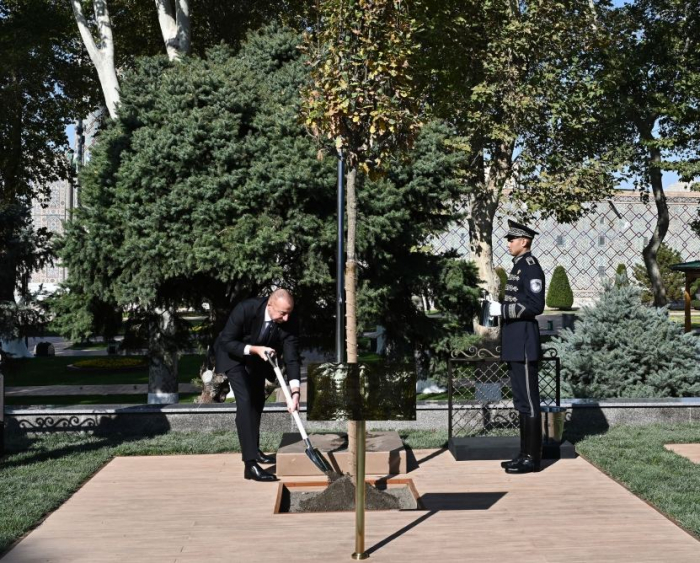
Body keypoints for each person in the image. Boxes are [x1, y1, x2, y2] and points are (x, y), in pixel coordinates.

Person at [215, 288, 301, 482]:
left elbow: (292, 358)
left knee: (257, 401)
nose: (286, 318)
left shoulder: (290, 320)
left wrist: (295, 391)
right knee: (245, 399)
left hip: (258, 358)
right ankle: (250, 464)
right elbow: (227, 341)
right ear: (270, 305)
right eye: (282, 313)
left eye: (289, 313)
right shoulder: (245, 309)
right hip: (233, 355)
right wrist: (254, 349)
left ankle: (254, 449)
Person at [488, 220, 546, 473]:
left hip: (523, 340)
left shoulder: (531, 267)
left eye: (512, 239)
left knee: (529, 401)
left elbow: (535, 306)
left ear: (524, 241)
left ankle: (532, 458)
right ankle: (524, 454)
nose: (509, 243)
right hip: (515, 339)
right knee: (521, 400)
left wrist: (502, 309)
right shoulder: (519, 266)